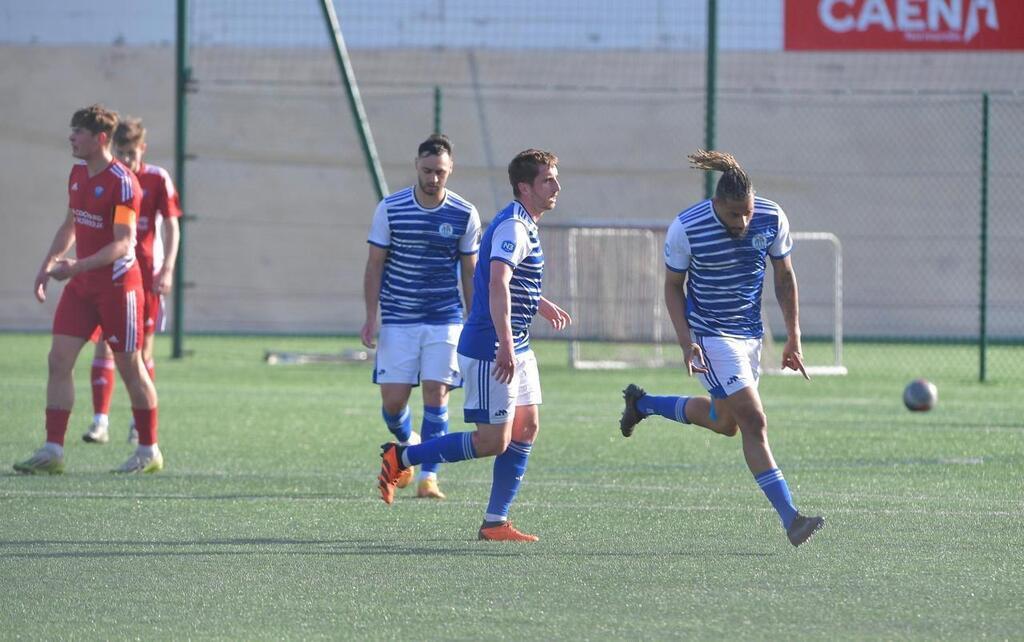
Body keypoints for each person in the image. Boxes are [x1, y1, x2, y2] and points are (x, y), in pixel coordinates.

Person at [619, 150, 824, 547]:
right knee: (754, 421)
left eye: (747, 212)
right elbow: (672, 288)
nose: (743, 221)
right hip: (711, 336)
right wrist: (687, 343)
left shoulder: (772, 217)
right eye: (734, 214)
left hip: (749, 336)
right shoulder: (686, 227)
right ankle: (792, 519)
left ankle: (641, 404)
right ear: (716, 205)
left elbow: (784, 277)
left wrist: (793, 336)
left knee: (724, 421)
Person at [377, 149, 572, 542]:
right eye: (548, 180)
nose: (556, 187)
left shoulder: (526, 224)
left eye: (555, 178)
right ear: (524, 187)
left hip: (516, 342)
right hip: (491, 346)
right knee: (491, 441)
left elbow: (511, 280)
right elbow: (496, 282)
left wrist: (539, 303)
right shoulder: (514, 228)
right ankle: (401, 456)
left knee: (527, 426)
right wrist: (504, 345)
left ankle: (495, 522)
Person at [14, 104, 163, 475]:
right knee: (58, 360)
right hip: (82, 287)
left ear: (99, 138)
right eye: (71, 131)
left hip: (118, 288)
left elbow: (123, 244)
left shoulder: (123, 181)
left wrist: (76, 265)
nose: (70, 137)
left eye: (78, 132)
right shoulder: (78, 173)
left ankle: (149, 451)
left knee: (130, 368)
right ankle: (52, 451)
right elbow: (71, 223)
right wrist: (47, 264)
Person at [361, 134, 481, 500]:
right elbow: (375, 264)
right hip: (398, 319)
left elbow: (470, 271)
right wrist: (371, 316)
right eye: (427, 171)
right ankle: (409, 444)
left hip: (444, 318)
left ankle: (430, 476)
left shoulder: (464, 213)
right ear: (416, 165)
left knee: (436, 394)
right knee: (393, 403)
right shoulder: (391, 208)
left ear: (450, 170)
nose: (433, 178)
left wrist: (474, 321)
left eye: (440, 172)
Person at [82, 116, 181, 445]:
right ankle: (100, 421)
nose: (126, 159)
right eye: (120, 152)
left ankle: (140, 425)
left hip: (146, 278)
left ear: (143, 149)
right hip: (112, 277)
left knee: (141, 354)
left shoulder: (156, 178)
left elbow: (171, 226)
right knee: (105, 345)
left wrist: (167, 269)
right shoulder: (108, 179)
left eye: (131, 153)